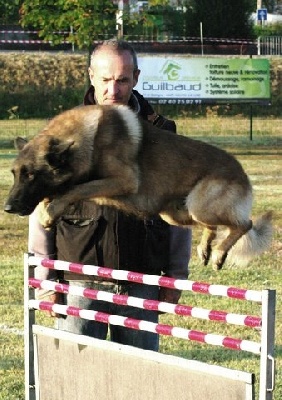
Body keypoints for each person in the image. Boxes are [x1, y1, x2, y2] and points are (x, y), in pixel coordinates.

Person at [29, 40, 192, 351]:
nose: (113, 90)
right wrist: (46, 280)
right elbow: (42, 211)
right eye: (105, 80)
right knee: (75, 382)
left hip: (142, 283)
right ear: (91, 76)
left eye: (122, 80)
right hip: (79, 281)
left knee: (139, 383)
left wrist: (175, 277)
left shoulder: (163, 137)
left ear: (136, 78)